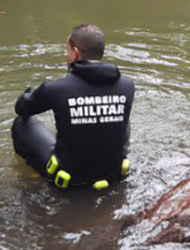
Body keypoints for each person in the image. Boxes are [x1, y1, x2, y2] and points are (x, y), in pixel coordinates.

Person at [12, 24, 135, 190]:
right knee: (122, 119)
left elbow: (22, 108)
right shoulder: (127, 85)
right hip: (112, 176)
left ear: (76, 53)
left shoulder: (56, 89)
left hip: (70, 181)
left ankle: (36, 175)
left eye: (67, 51)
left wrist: (29, 94)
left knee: (21, 124)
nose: (66, 56)